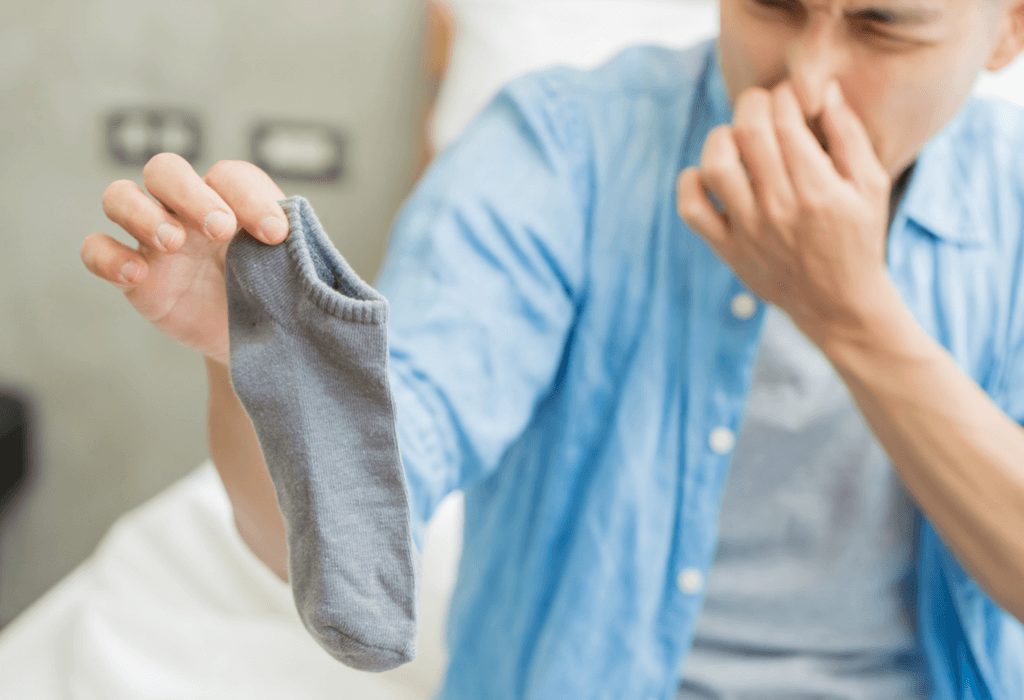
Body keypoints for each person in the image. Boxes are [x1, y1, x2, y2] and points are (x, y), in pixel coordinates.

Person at [80, 0, 1024, 696]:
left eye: (885, 27)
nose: (807, 81)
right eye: (774, 8)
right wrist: (259, 364)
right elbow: (357, 526)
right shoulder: (559, 150)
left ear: (1006, 33)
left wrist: (852, 313)